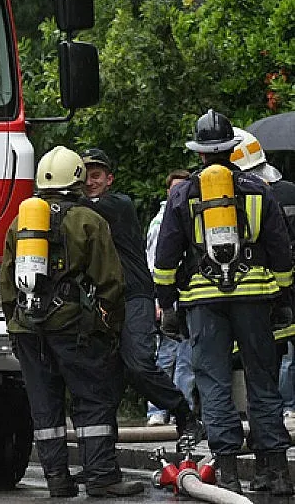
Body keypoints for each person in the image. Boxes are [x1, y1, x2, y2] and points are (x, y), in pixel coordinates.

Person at [153, 109, 294, 495]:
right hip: (255, 297)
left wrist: (167, 305)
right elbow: (280, 249)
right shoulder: (257, 188)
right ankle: (277, 472)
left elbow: (166, 257)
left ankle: (228, 474)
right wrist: (283, 297)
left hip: (203, 302)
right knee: (262, 382)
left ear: (199, 153)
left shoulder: (182, 194)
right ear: (232, 149)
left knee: (213, 384)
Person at [1, 146, 144, 498]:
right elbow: (110, 279)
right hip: (75, 328)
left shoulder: (20, 222)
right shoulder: (88, 220)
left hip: (27, 329)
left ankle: (57, 480)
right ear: (77, 178)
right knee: (92, 400)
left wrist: (15, 321)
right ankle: (101, 477)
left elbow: (7, 281)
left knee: (44, 405)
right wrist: (111, 325)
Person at [79, 148, 201, 446]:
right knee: (104, 381)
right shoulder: (78, 212)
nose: (90, 182)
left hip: (134, 297)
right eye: (84, 176)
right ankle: (101, 462)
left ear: (110, 179)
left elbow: (79, 209)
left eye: (95, 175)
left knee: (139, 365)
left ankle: (184, 414)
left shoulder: (118, 204)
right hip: (101, 302)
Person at [230, 128, 295, 425]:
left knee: (254, 367)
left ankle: (256, 430)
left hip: (238, 295)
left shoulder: (212, 195)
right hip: (276, 291)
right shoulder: (282, 192)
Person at [145, 170, 196, 426]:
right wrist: (158, 301)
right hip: (167, 300)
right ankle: (157, 410)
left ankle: (181, 412)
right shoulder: (160, 222)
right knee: (165, 358)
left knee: (186, 361)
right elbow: (154, 264)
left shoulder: (186, 216)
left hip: (186, 298)